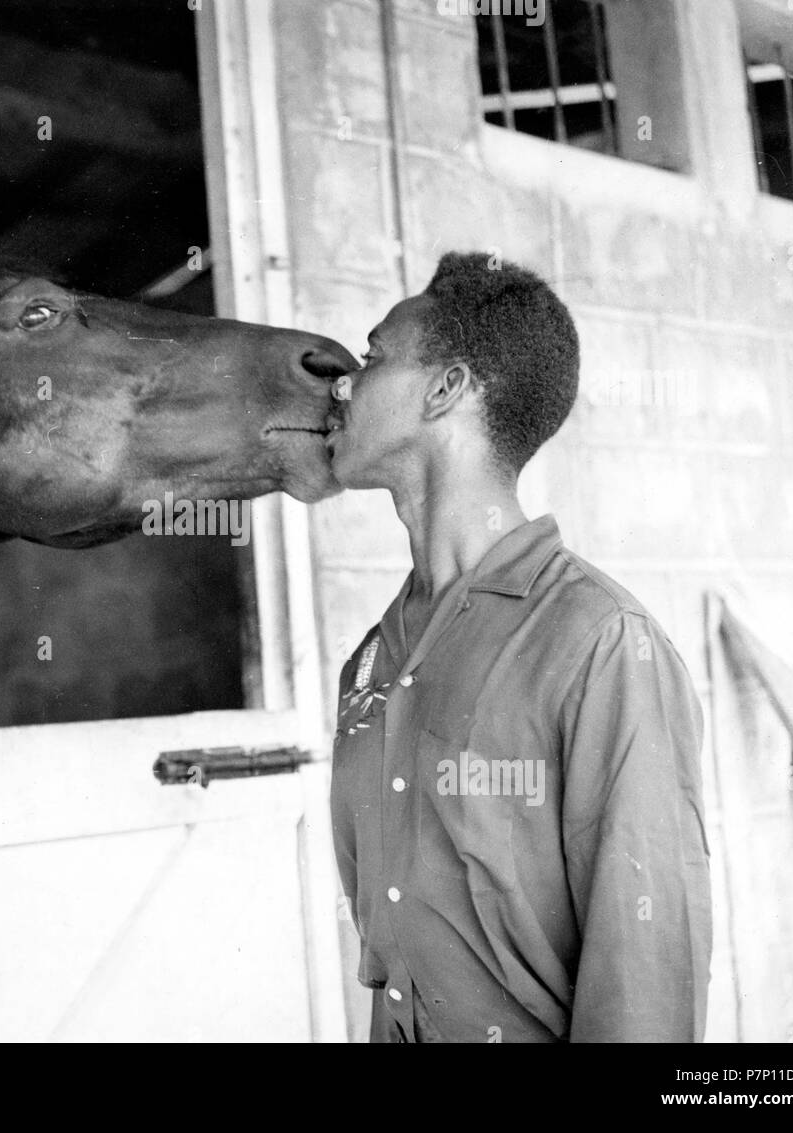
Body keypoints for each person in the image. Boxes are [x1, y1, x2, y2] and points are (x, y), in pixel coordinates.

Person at [325, 252, 711, 1043]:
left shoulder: (602, 645)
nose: (341, 384)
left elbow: (643, 986)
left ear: (447, 389)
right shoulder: (370, 660)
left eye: (371, 358)